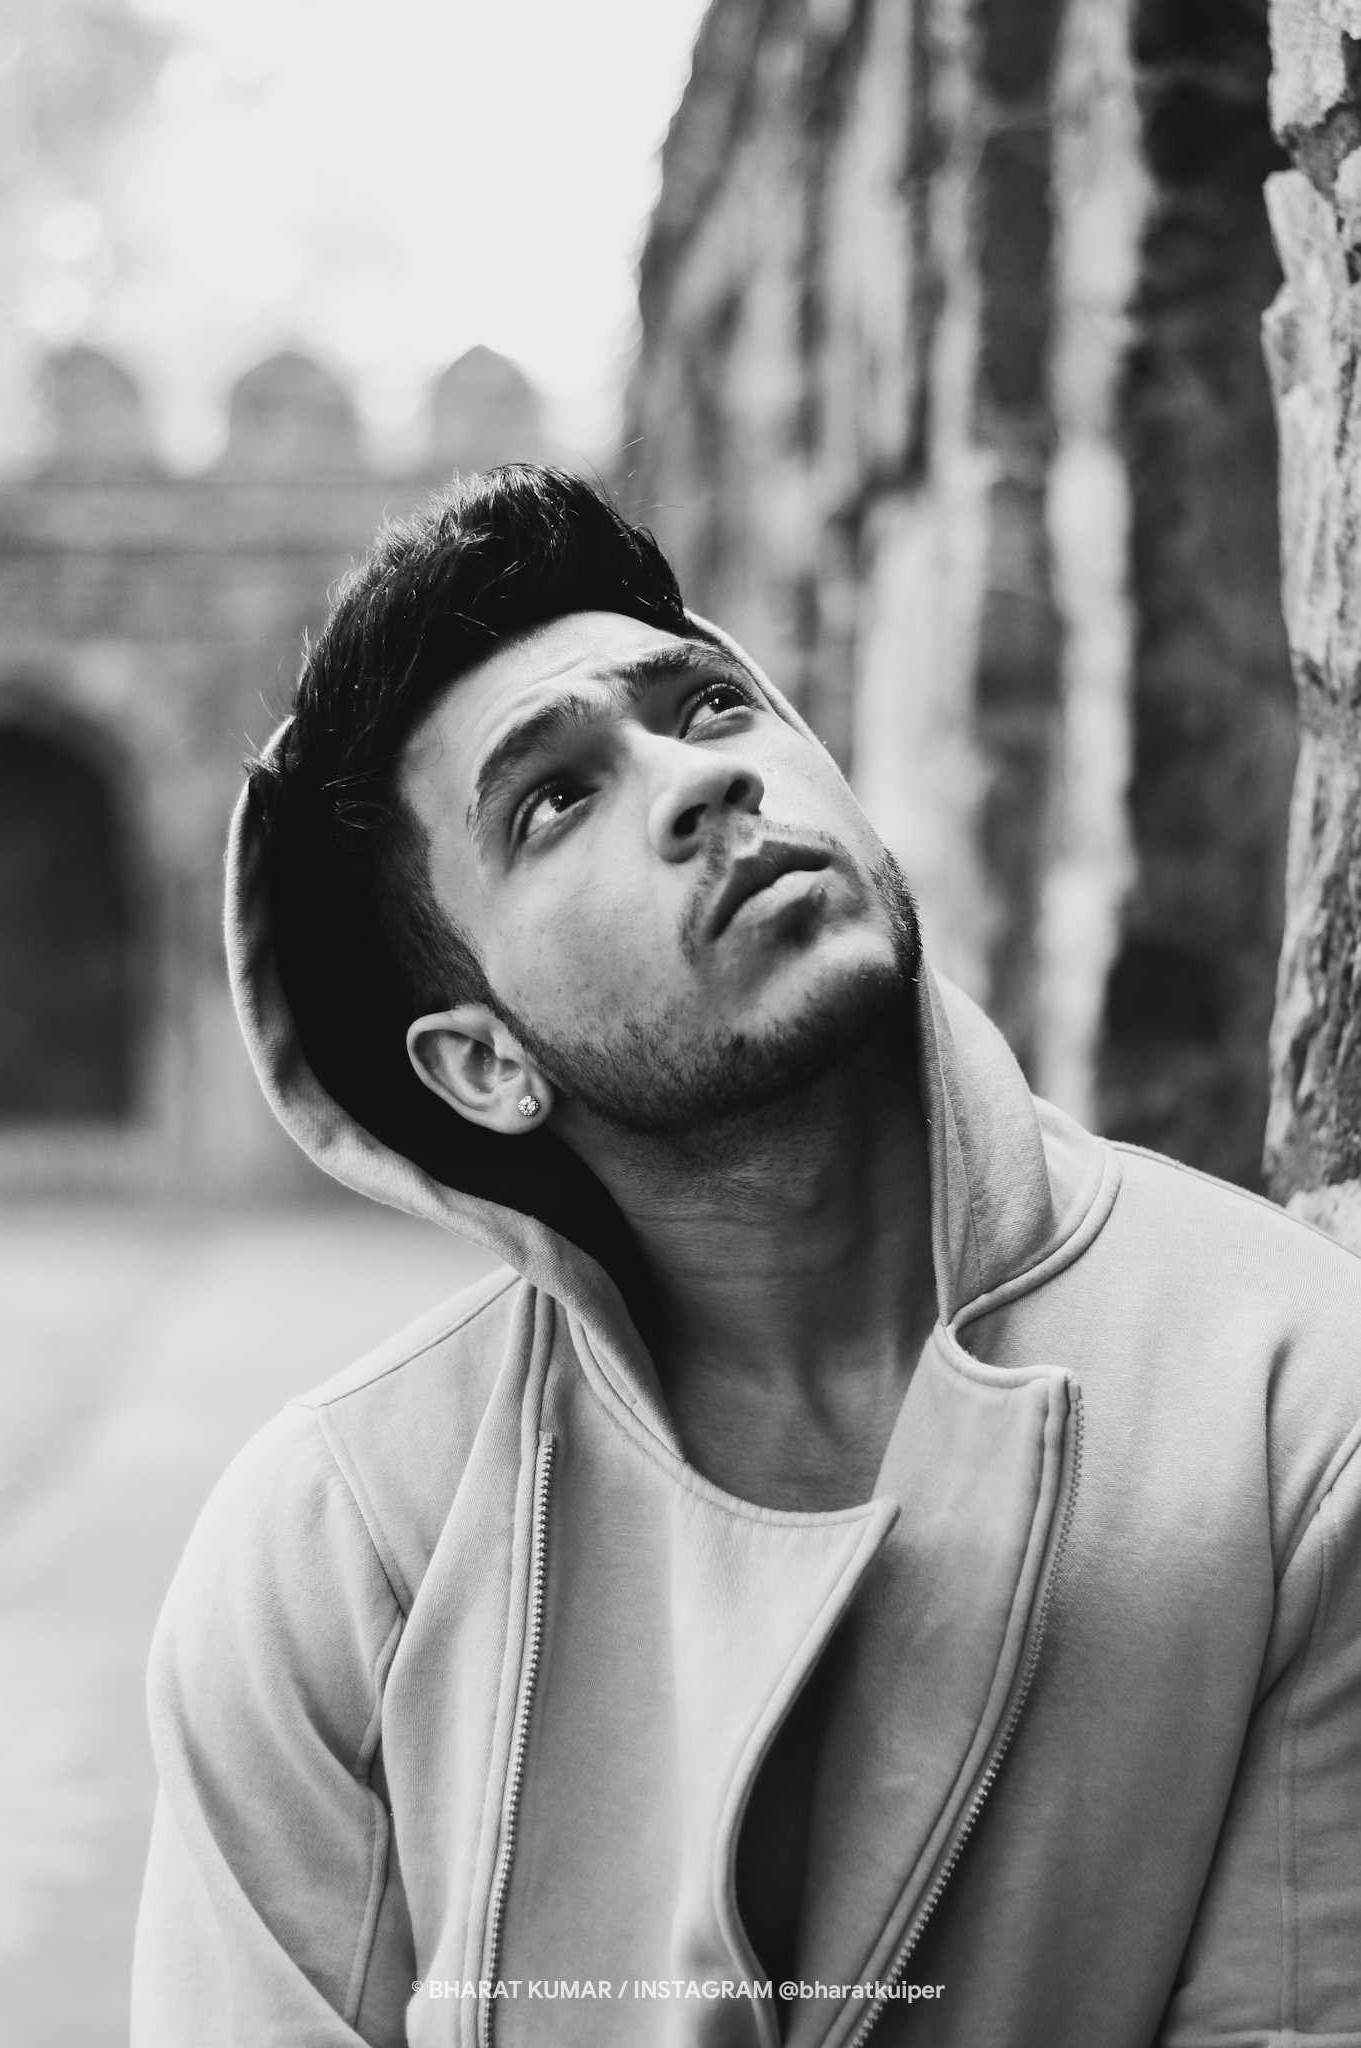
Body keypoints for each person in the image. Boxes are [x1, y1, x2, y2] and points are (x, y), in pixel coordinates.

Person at [132, 466, 1361, 2048]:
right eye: (553, 800)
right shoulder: (339, 1550)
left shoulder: (1292, 1404)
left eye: (708, 705)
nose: (697, 780)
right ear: (485, 1066)